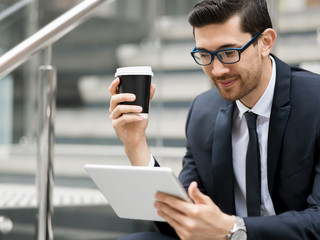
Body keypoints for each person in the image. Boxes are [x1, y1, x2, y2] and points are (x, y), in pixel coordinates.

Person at [109, 0, 320, 239]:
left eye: (229, 53)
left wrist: (234, 228)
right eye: (204, 55)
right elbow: (182, 223)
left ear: (265, 42)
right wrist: (136, 143)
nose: (217, 70)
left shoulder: (315, 102)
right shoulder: (203, 111)